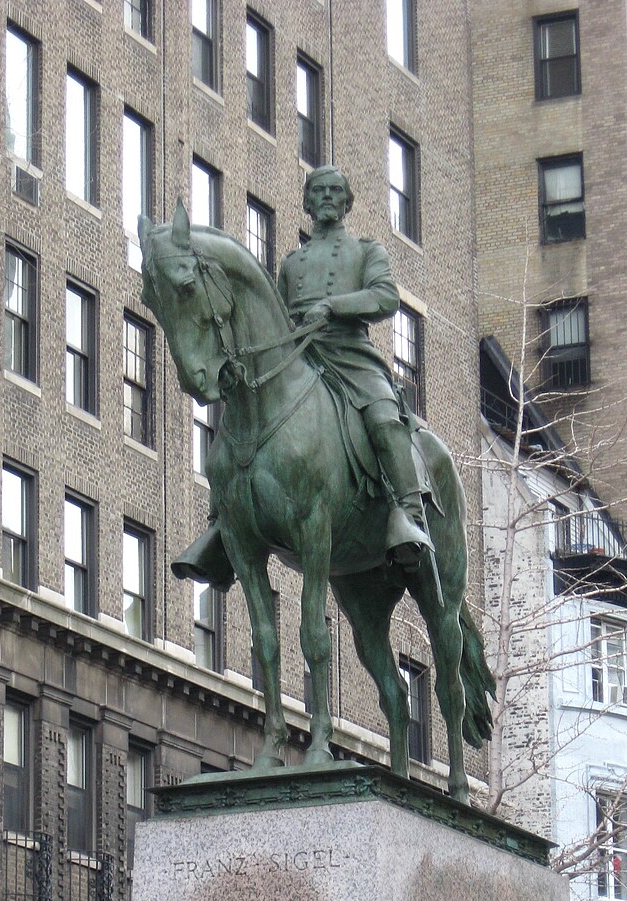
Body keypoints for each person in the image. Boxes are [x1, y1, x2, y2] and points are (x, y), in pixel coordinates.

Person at [173, 164, 432, 588]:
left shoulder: (367, 251)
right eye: (319, 191)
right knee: (241, 418)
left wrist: (334, 307)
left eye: (335, 191)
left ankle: (407, 514)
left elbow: (385, 297)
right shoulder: (292, 263)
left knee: (384, 418)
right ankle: (221, 522)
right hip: (299, 357)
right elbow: (272, 313)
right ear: (308, 202)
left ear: (346, 202)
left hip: (350, 355)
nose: (327, 197)